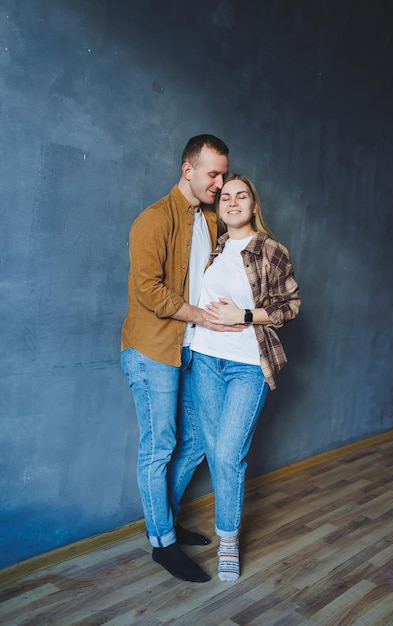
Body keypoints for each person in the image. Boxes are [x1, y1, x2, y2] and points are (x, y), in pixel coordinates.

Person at [120, 135, 244, 583]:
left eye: (225, 174)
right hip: (152, 349)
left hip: (191, 349)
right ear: (188, 170)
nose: (220, 182)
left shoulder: (209, 223)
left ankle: (165, 522)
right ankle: (162, 544)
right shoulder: (153, 220)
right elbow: (148, 291)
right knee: (160, 446)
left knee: (194, 442)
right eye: (213, 173)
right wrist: (204, 320)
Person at [190, 173, 301, 581]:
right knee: (215, 450)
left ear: (254, 205)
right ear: (219, 208)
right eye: (226, 198)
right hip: (204, 360)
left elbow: (290, 307)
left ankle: (229, 541)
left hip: (246, 365)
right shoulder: (215, 248)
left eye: (242, 197)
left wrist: (245, 315)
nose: (233, 202)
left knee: (227, 454)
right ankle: (224, 532)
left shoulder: (271, 251)